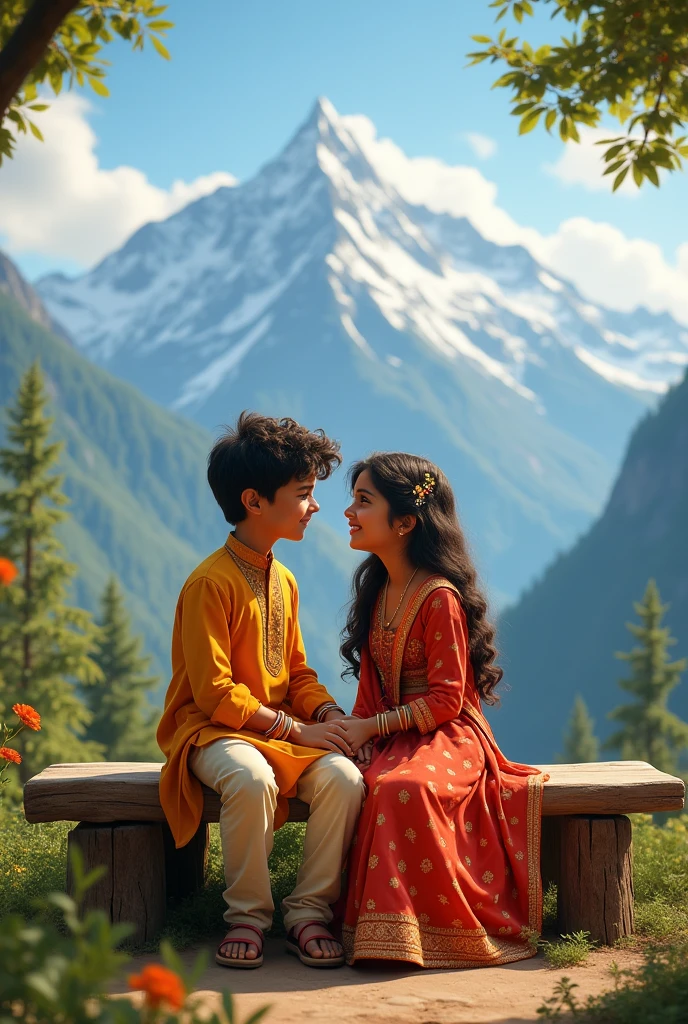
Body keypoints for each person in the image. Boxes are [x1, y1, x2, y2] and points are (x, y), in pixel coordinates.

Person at [157, 412, 365, 970]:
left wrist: (327, 713)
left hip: (274, 728)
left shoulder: (284, 579)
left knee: (345, 778)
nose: (315, 506)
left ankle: (306, 912)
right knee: (250, 778)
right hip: (212, 732)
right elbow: (215, 694)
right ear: (254, 500)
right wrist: (299, 730)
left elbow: (294, 671)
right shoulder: (210, 583)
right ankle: (247, 917)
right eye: (303, 494)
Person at [335, 452, 547, 969]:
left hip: (449, 734)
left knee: (401, 788)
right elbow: (370, 685)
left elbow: (449, 699)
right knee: (349, 776)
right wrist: (355, 734)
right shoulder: (378, 590)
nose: (348, 512)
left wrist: (374, 726)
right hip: (394, 735)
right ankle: (355, 926)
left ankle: (430, 932)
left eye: (363, 501)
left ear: (405, 522)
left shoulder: (438, 597)